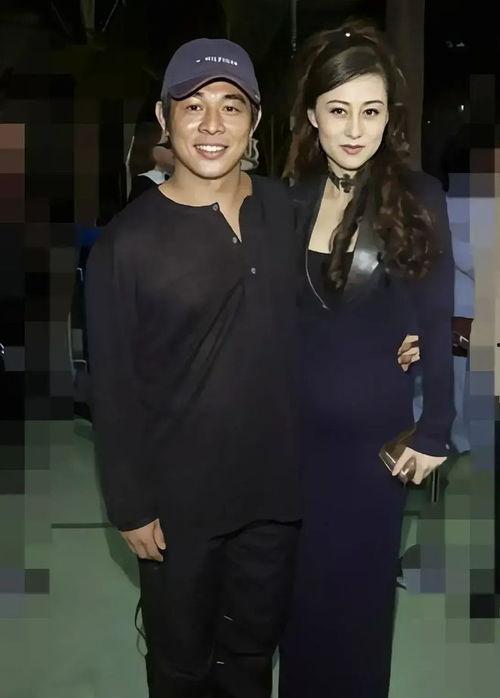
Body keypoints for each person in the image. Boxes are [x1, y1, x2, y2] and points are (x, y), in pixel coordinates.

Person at [85, 38, 303, 698]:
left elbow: (342, 297)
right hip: (180, 504)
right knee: (181, 666)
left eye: (231, 106)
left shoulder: (287, 210)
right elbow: (112, 386)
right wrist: (130, 504)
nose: (212, 125)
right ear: (164, 117)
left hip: (275, 493)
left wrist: (404, 333)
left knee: (252, 657)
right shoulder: (126, 244)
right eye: (193, 105)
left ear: (255, 120)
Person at [278, 24, 455, 698]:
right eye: (339, 110)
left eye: (371, 110)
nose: (355, 129)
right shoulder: (285, 198)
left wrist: (436, 428)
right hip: (290, 442)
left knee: (360, 609)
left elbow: (435, 316)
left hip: (371, 448)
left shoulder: (418, 195)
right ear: (311, 114)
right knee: (298, 609)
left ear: (390, 116)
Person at [128, 125, 175, 202]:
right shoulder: (144, 184)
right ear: (148, 147)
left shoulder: (171, 178)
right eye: (168, 144)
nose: (174, 149)